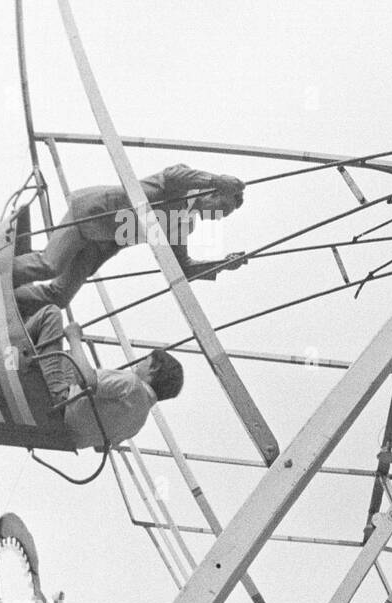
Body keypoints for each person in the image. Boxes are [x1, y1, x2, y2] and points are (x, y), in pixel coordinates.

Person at [12, 164, 246, 315]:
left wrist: (221, 265)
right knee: (49, 265)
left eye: (224, 216)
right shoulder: (182, 187)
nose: (218, 217)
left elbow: (183, 267)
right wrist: (215, 180)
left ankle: (10, 302)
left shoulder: (184, 225)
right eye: (222, 208)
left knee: (60, 297)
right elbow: (175, 174)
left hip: (101, 244)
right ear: (213, 194)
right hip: (91, 213)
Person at [24, 304, 183, 448]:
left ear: (154, 368)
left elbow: (86, 381)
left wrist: (74, 338)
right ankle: (27, 342)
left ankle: (9, 352)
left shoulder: (131, 384)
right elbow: (100, 448)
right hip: (61, 435)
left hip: (57, 403)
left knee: (51, 314)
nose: (138, 363)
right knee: (68, 358)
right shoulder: (139, 423)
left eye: (145, 360)